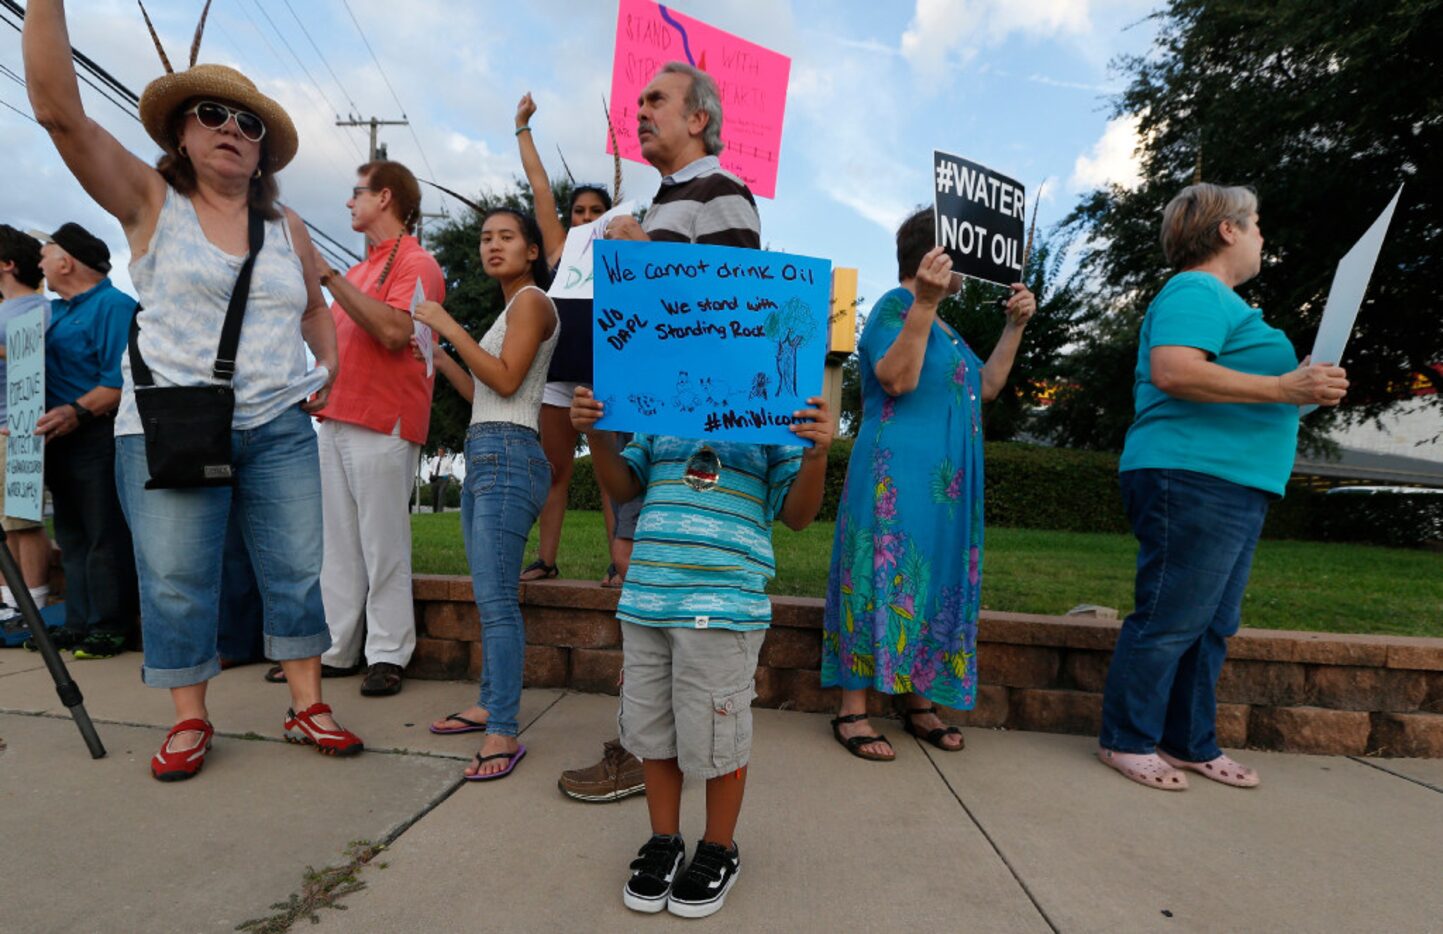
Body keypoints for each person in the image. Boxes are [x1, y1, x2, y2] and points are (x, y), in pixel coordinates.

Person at [24, 0, 362, 780]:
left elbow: (314, 307)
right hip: (171, 423)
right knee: (177, 577)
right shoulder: (151, 202)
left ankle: (307, 702)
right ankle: (189, 717)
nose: (234, 131)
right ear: (180, 130)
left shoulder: (290, 230)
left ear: (264, 152)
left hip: (279, 422)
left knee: (296, 569)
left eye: (251, 125)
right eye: (213, 115)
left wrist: (329, 363)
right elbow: (58, 112)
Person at [557, 62, 764, 806]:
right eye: (638, 100)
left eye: (655, 101)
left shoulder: (721, 193)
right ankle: (641, 750)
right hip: (637, 429)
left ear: (698, 118)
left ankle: (647, 760)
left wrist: (638, 252)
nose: (639, 111)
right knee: (638, 595)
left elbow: (735, 314)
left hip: (684, 446)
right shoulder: (656, 200)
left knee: (661, 596)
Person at [1096, 183, 1348, 791]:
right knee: (1171, 615)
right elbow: (1175, 370)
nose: (1264, 234)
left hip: (1232, 481)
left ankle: (1187, 741)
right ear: (1227, 231)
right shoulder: (1196, 289)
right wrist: (1287, 388)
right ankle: (1126, 740)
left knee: (1210, 624)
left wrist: (1302, 390)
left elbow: (1253, 394)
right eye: (1257, 222)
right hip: (1191, 474)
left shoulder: (1228, 306)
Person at [822, 209, 1036, 761]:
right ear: (933, 255)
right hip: (896, 477)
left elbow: (986, 386)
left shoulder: (944, 324)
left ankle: (918, 700)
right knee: (880, 573)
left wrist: (1014, 327)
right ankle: (852, 708)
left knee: (930, 579)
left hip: (944, 488)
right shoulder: (896, 309)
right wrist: (924, 300)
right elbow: (897, 378)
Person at [289, 160, 444, 698]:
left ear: (385, 197)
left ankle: (387, 652)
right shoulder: (360, 271)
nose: (348, 204)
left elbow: (396, 331)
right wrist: (319, 385)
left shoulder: (418, 263)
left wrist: (327, 276)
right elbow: (339, 345)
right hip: (337, 417)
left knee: (383, 544)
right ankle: (337, 648)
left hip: (384, 419)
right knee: (339, 545)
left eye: (356, 193)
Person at [416, 208, 558, 780]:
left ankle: (502, 728)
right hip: (488, 450)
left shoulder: (532, 303)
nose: (492, 246)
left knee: (497, 602)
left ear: (531, 251)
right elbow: (483, 389)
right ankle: (488, 703)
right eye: (485, 238)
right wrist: (436, 351)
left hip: (509, 454)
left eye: (507, 237)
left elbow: (504, 380)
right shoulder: (510, 308)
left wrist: (448, 326)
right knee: (488, 595)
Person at [512, 92, 623, 586]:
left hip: (607, 379)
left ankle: (619, 564)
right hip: (557, 376)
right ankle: (546, 559)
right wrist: (523, 129)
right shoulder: (558, 249)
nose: (584, 217)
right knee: (553, 470)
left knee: (611, 478)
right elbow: (539, 186)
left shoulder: (624, 256)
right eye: (578, 209)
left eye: (595, 210)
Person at [29, 222, 138, 659]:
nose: (40, 263)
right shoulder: (51, 312)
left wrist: (75, 411)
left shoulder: (114, 306)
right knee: (71, 534)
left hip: (97, 433)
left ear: (65, 260)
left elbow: (120, 380)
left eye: (45, 253)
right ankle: (78, 621)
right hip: (56, 437)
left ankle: (111, 625)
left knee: (103, 533)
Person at [0, 224, 54, 623]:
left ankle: (31, 601)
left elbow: (28, 363)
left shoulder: (36, 308)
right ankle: (8, 600)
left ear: (7, 264)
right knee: (5, 525)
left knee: (23, 520)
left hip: (18, 429)